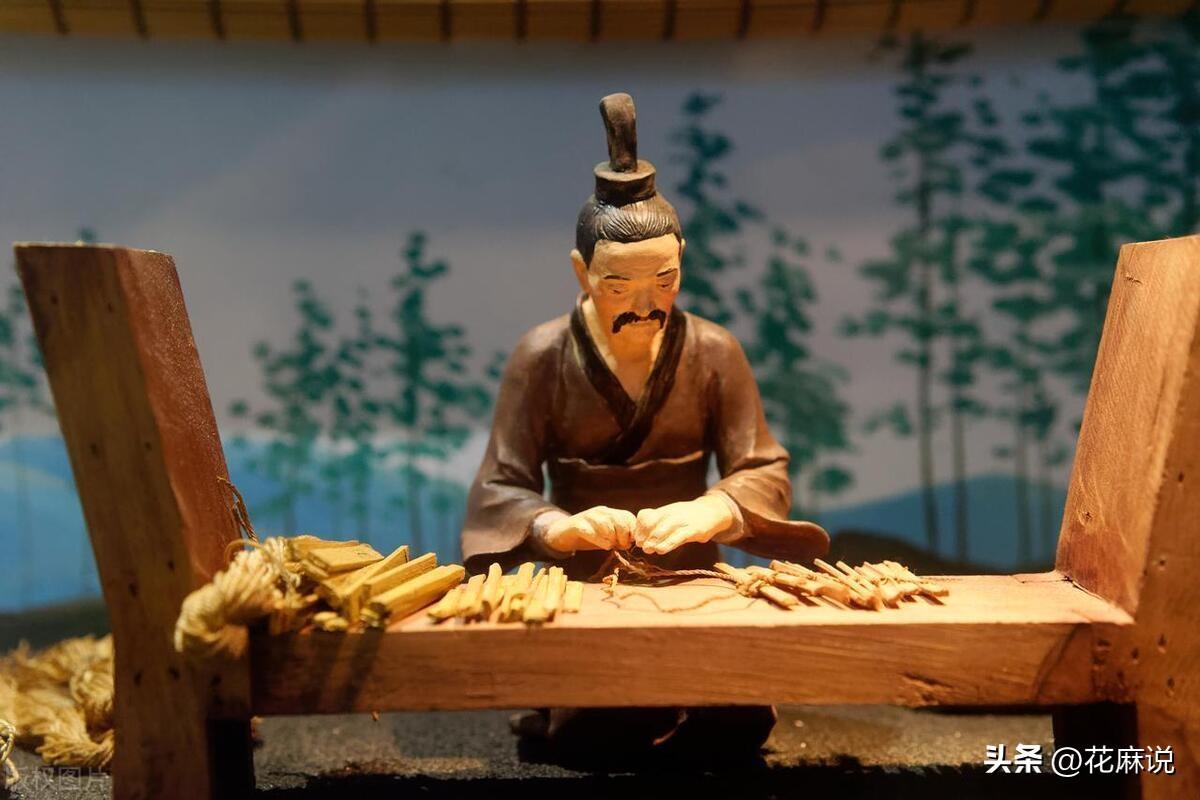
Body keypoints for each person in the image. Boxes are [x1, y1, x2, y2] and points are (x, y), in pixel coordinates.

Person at [460, 92, 829, 761]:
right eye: (618, 286)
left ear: (682, 260)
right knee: (599, 731)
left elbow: (760, 466)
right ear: (582, 272)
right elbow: (500, 485)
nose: (645, 303)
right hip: (583, 578)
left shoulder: (713, 352)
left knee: (734, 727)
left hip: (692, 571)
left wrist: (716, 510)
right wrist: (557, 528)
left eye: (664, 279)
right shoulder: (541, 357)